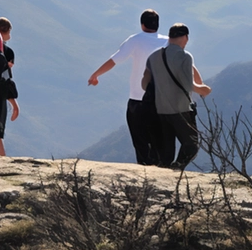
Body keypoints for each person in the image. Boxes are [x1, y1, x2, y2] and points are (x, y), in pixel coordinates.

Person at [87, 9, 168, 166]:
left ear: (142, 24)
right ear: (158, 25)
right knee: (159, 139)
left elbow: (114, 60)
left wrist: (95, 75)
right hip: (162, 100)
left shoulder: (135, 40)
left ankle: (145, 170)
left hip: (138, 98)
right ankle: (160, 167)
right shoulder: (167, 42)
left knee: (140, 140)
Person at [141, 23, 212, 169]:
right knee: (191, 145)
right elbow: (187, 84)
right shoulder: (184, 56)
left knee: (166, 152)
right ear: (185, 37)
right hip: (181, 109)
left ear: (170, 37)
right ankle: (176, 169)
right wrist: (203, 90)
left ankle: (165, 174)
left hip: (161, 109)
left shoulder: (154, 57)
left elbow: (144, 84)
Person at [0, 18, 20, 156]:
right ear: (5, 31)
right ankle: (2, 159)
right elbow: (6, 78)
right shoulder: (7, 51)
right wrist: (14, 103)